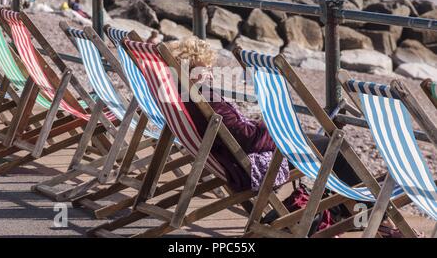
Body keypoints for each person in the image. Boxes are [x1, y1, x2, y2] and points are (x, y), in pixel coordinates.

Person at [167, 36, 403, 237]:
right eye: (203, 67)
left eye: (208, 67)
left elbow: (237, 132)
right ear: (188, 68)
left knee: (325, 147)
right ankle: (375, 218)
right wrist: (276, 128)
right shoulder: (205, 97)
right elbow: (246, 137)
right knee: (336, 147)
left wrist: (271, 128)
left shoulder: (182, 93)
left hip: (233, 157)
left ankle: (357, 210)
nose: (209, 73)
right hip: (247, 162)